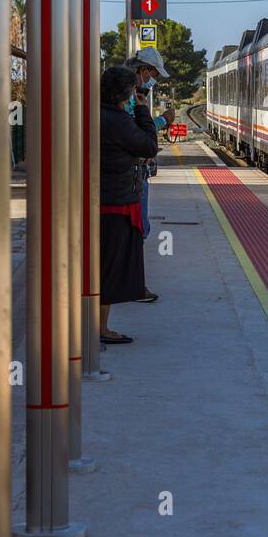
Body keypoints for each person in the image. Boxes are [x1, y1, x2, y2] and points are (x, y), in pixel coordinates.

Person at [98, 64, 160, 343]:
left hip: (104, 200)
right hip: (116, 203)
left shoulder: (98, 114)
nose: (136, 94)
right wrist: (143, 111)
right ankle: (101, 329)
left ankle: (95, 326)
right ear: (125, 92)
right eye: (134, 90)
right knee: (110, 268)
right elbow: (148, 145)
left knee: (103, 266)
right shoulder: (117, 120)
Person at [124, 48, 175, 303]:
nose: (153, 80)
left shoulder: (132, 94)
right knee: (139, 228)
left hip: (136, 170)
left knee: (140, 227)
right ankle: (132, 285)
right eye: (153, 74)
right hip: (132, 173)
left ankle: (131, 283)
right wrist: (163, 121)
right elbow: (134, 131)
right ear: (143, 70)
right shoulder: (129, 96)